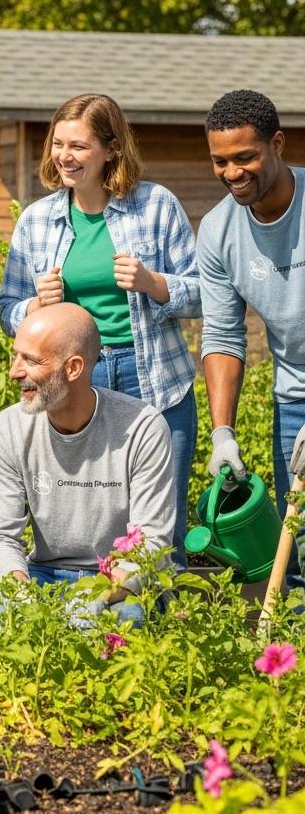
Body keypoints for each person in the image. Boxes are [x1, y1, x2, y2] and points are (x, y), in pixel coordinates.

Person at [0, 94, 199, 564]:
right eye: (58, 144)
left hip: (151, 376)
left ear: (111, 150)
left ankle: (161, 629)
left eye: (80, 146)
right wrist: (32, 304)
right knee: (82, 506)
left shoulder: (156, 206)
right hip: (71, 376)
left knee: (161, 523)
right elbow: (7, 306)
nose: (64, 156)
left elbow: (203, 292)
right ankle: (86, 616)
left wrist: (153, 283)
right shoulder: (36, 220)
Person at [0, 304, 175, 630]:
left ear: (73, 368)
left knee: (120, 627)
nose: (14, 371)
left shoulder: (142, 427)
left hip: (119, 582)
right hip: (41, 576)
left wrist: (97, 597)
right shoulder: (7, 428)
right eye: (16, 356)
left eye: (31, 360)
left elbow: (151, 543)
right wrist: (21, 594)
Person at [199, 89, 305, 586]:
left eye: (245, 157)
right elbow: (223, 336)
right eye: (220, 161)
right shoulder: (219, 230)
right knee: (299, 543)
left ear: (277, 144)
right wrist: (224, 433)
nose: (232, 172)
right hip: (293, 404)